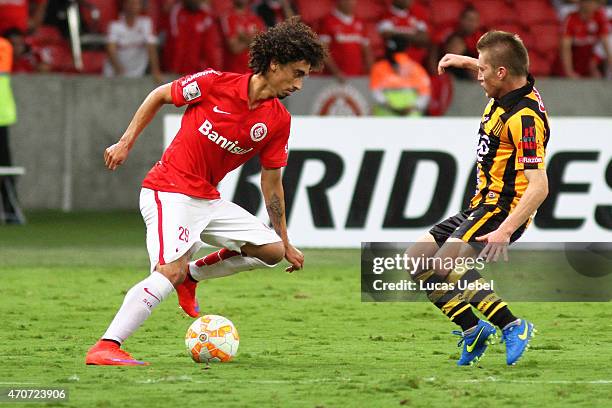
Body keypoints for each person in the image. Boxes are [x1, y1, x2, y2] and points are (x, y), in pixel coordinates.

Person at [85, 17, 326, 366]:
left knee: (271, 252)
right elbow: (159, 95)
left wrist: (285, 239)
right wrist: (125, 143)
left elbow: (271, 182)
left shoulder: (278, 120)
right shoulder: (213, 83)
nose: (300, 85)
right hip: (168, 190)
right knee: (168, 270)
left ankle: (192, 276)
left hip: (207, 200)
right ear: (275, 64)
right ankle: (107, 345)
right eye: (298, 73)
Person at [405, 31, 549, 366]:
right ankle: (474, 331)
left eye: (483, 69)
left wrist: (505, 230)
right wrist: (466, 61)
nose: (478, 75)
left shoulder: (525, 119)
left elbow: (539, 185)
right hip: (481, 204)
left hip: (504, 209)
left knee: (445, 265)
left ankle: (513, 325)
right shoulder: (512, 83)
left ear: (500, 73)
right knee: (417, 261)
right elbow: (508, 67)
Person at [369, 38, 431, 116]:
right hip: (398, 116)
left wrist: (412, 107)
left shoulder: (378, 67)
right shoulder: (416, 68)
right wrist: (414, 107)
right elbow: (425, 94)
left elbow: (425, 93)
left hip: (396, 117)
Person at [104, 0, 162, 82]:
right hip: (115, 75)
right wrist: (119, 70)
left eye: (137, 3)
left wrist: (155, 71)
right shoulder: (115, 25)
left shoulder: (146, 23)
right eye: (130, 3)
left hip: (138, 74)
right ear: (124, 5)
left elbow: (151, 47)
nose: (133, 6)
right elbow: (111, 50)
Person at [163, 0, 223, 74]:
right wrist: (175, 69)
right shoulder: (177, 12)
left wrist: (214, 70)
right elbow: (176, 43)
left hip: (199, 70)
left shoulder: (206, 14)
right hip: (178, 70)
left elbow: (209, 47)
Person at [319, 0, 373, 81]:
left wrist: (371, 71)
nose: (351, 3)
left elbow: (367, 51)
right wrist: (336, 72)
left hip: (357, 77)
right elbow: (323, 50)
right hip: (333, 79)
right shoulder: (327, 21)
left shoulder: (360, 22)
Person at [560, 0, 612, 78]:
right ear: (580, 3)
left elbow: (606, 45)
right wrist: (569, 72)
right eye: (588, 1)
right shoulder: (571, 18)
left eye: (595, 2)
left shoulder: (599, 16)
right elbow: (565, 48)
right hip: (572, 64)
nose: (591, 5)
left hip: (587, 65)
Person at [378, 0, 430, 67]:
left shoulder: (417, 14)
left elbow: (424, 38)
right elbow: (387, 35)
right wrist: (414, 37)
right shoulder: (386, 15)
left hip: (417, 63)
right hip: (395, 64)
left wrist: (398, 35)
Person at [221, 0, 265, 73]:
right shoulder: (228, 17)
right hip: (233, 73)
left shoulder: (256, 18)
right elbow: (234, 48)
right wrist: (252, 39)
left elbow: (261, 45)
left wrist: (242, 37)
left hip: (252, 73)